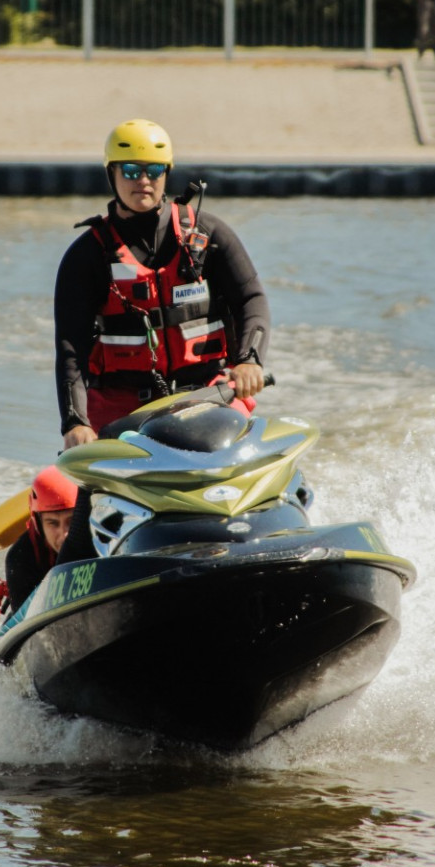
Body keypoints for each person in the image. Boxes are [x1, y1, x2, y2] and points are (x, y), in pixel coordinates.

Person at [53, 117, 271, 563]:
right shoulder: (87, 256)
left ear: (167, 174)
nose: (143, 181)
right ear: (111, 175)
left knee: (257, 481)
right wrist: (75, 422)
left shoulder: (207, 236)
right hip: (124, 416)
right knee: (88, 513)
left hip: (211, 399)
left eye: (153, 170)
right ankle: (64, 582)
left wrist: (249, 361)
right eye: (130, 171)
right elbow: (70, 349)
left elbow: (252, 299)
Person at [0, 465, 78, 617]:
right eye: (53, 523)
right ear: (38, 523)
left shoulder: (104, 536)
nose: (64, 534)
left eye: (72, 521)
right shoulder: (21, 557)